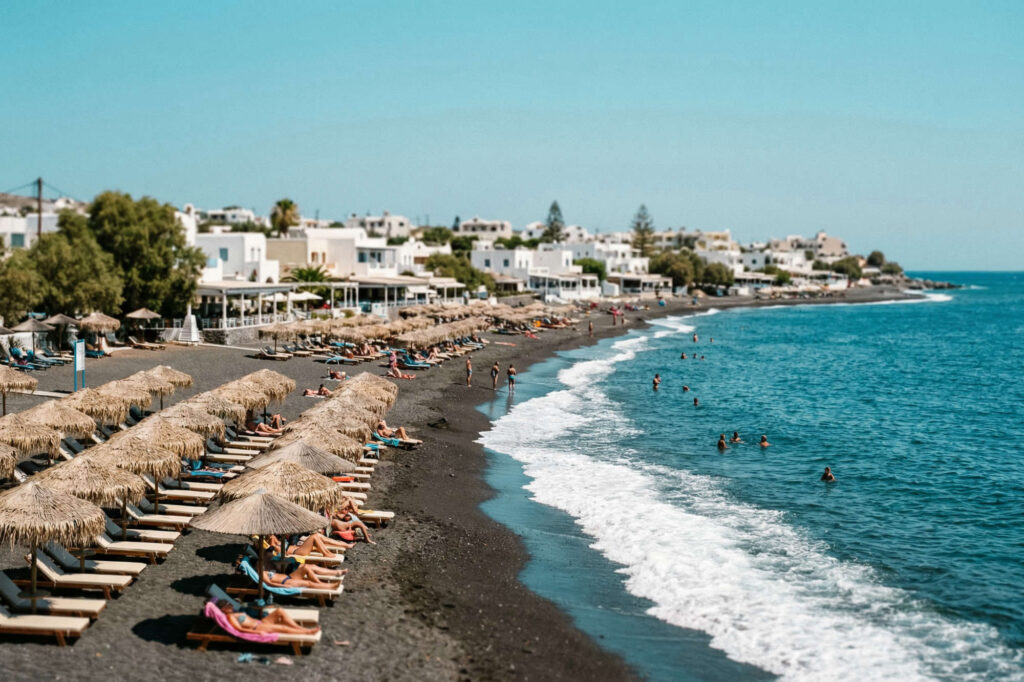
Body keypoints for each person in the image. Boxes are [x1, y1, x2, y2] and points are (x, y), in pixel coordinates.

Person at [217, 600, 320, 636]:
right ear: (223, 609)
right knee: (282, 628)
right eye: (228, 605)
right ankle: (307, 632)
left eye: (229, 604)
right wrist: (258, 633)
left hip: (260, 622)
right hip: (257, 628)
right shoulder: (230, 617)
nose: (230, 606)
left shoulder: (233, 613)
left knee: (279, 611)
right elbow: (240, 629)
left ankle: (300, 628)